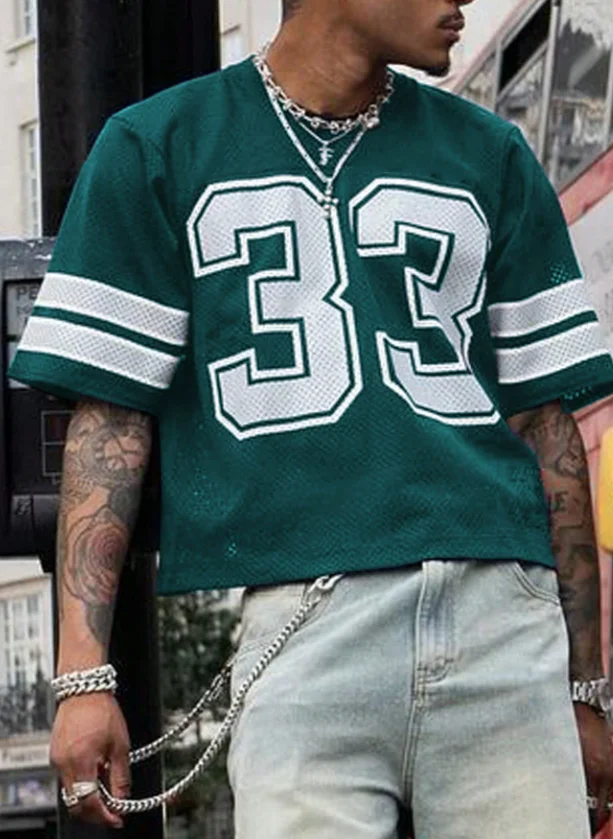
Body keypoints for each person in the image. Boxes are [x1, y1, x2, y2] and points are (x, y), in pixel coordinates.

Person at [10, 0, 613, 836]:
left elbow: (545, 426)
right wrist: (83, 677)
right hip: (300, 618)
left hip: (501, 619)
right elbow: (110, 420)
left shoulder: (491, 152)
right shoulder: (156, 146)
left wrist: (584, 688)